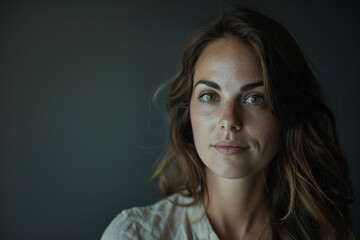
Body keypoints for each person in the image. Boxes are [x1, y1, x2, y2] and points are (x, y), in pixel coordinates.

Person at [101, 6, 355, 240]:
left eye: (255, 98)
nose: (229, 121)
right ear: (187, 112)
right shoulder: (135, 234)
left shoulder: (329, 233)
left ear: (287, 114)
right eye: (210, 96)